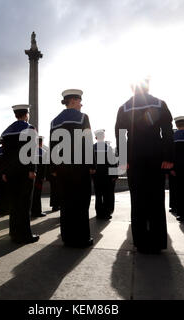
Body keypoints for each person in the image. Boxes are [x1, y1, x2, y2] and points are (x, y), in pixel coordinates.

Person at [115, 79, 174, 254]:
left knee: (138, 199)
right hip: (156, 158)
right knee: (156, 199)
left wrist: (124, 159)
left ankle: (140, 241)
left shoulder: (124, 107)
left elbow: (120, 134)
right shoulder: (159, 103)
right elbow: (168, 131)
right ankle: (157, 240)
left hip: (134, 159)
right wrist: (168, 156)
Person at [50, 89, 95, 248]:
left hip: (62, 168)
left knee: (66, 203)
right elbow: (88, 142)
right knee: (81, 202)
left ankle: (67, 237)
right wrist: (91, 165)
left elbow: (53, 146)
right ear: (74, 101)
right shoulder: (83, 117)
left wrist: (53, 168)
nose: (81, 104)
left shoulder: (54, 121)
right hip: (79, 167)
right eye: (79, 101)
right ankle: (81, 238)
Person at [1, 105, 39, 244]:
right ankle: (24, 235)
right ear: (26, 114)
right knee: (24, 204)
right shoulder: (30, 129)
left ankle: (14, 233)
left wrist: (4, 171)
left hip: (11, 172)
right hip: (24, 172)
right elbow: (32, 151)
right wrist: (32, 169)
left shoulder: (6, 132)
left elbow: (5, 155)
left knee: (14, 204)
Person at [92, 129, 117, 220]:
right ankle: (106, 213)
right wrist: (114, 175)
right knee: (107, 195)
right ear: (103, 137)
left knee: (98, 195)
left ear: (96, 137)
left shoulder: (92, 148)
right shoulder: (108, 148)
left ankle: (99, 213)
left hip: (96, 176)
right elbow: (112, 162)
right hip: (107, 176)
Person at [31, 136, 47, 218]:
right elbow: (44, 166)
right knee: (37, 195)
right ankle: (37, 211)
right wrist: (44, 176)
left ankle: (31, 211)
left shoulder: (31, 151)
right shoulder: (43, 152)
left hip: (32, 176)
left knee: (32, 194)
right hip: (39, 177)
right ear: (41, 143)